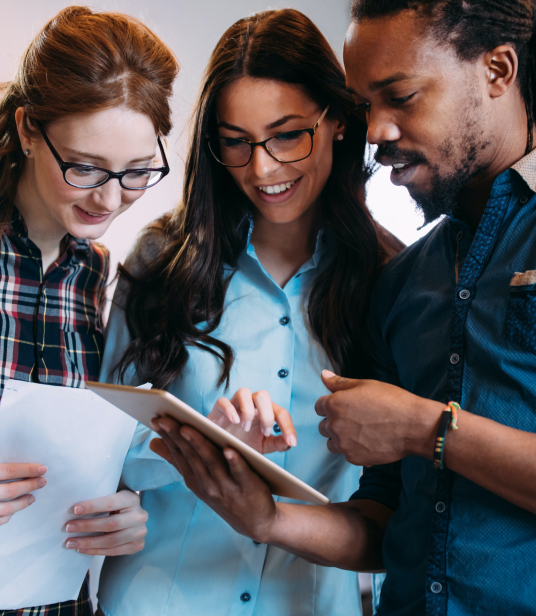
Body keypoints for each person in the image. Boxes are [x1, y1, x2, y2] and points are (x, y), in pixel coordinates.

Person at [150, 1, 536, 615]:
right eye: (365, 107)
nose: (376, 131)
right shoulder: (406, 279)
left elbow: (421, 431)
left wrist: (425, 428)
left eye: (402, 96)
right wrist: (269, 518)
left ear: (497, 70)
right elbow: (383, 521)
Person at [97, 8, 402, 616]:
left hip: (308, 602)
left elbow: (398, 505)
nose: (261, 169)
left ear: (338, 120)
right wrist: (191, 442)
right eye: (235, 142)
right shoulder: (164, 259)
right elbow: (100, 441)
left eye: (287, 134)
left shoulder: (393, 280)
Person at [0, 6, 179, 615]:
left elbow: (81, 454)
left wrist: (121, 514)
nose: (108, 198)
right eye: (84, 167)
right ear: (28, 129)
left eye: (136, 173)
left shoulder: (98, 272)